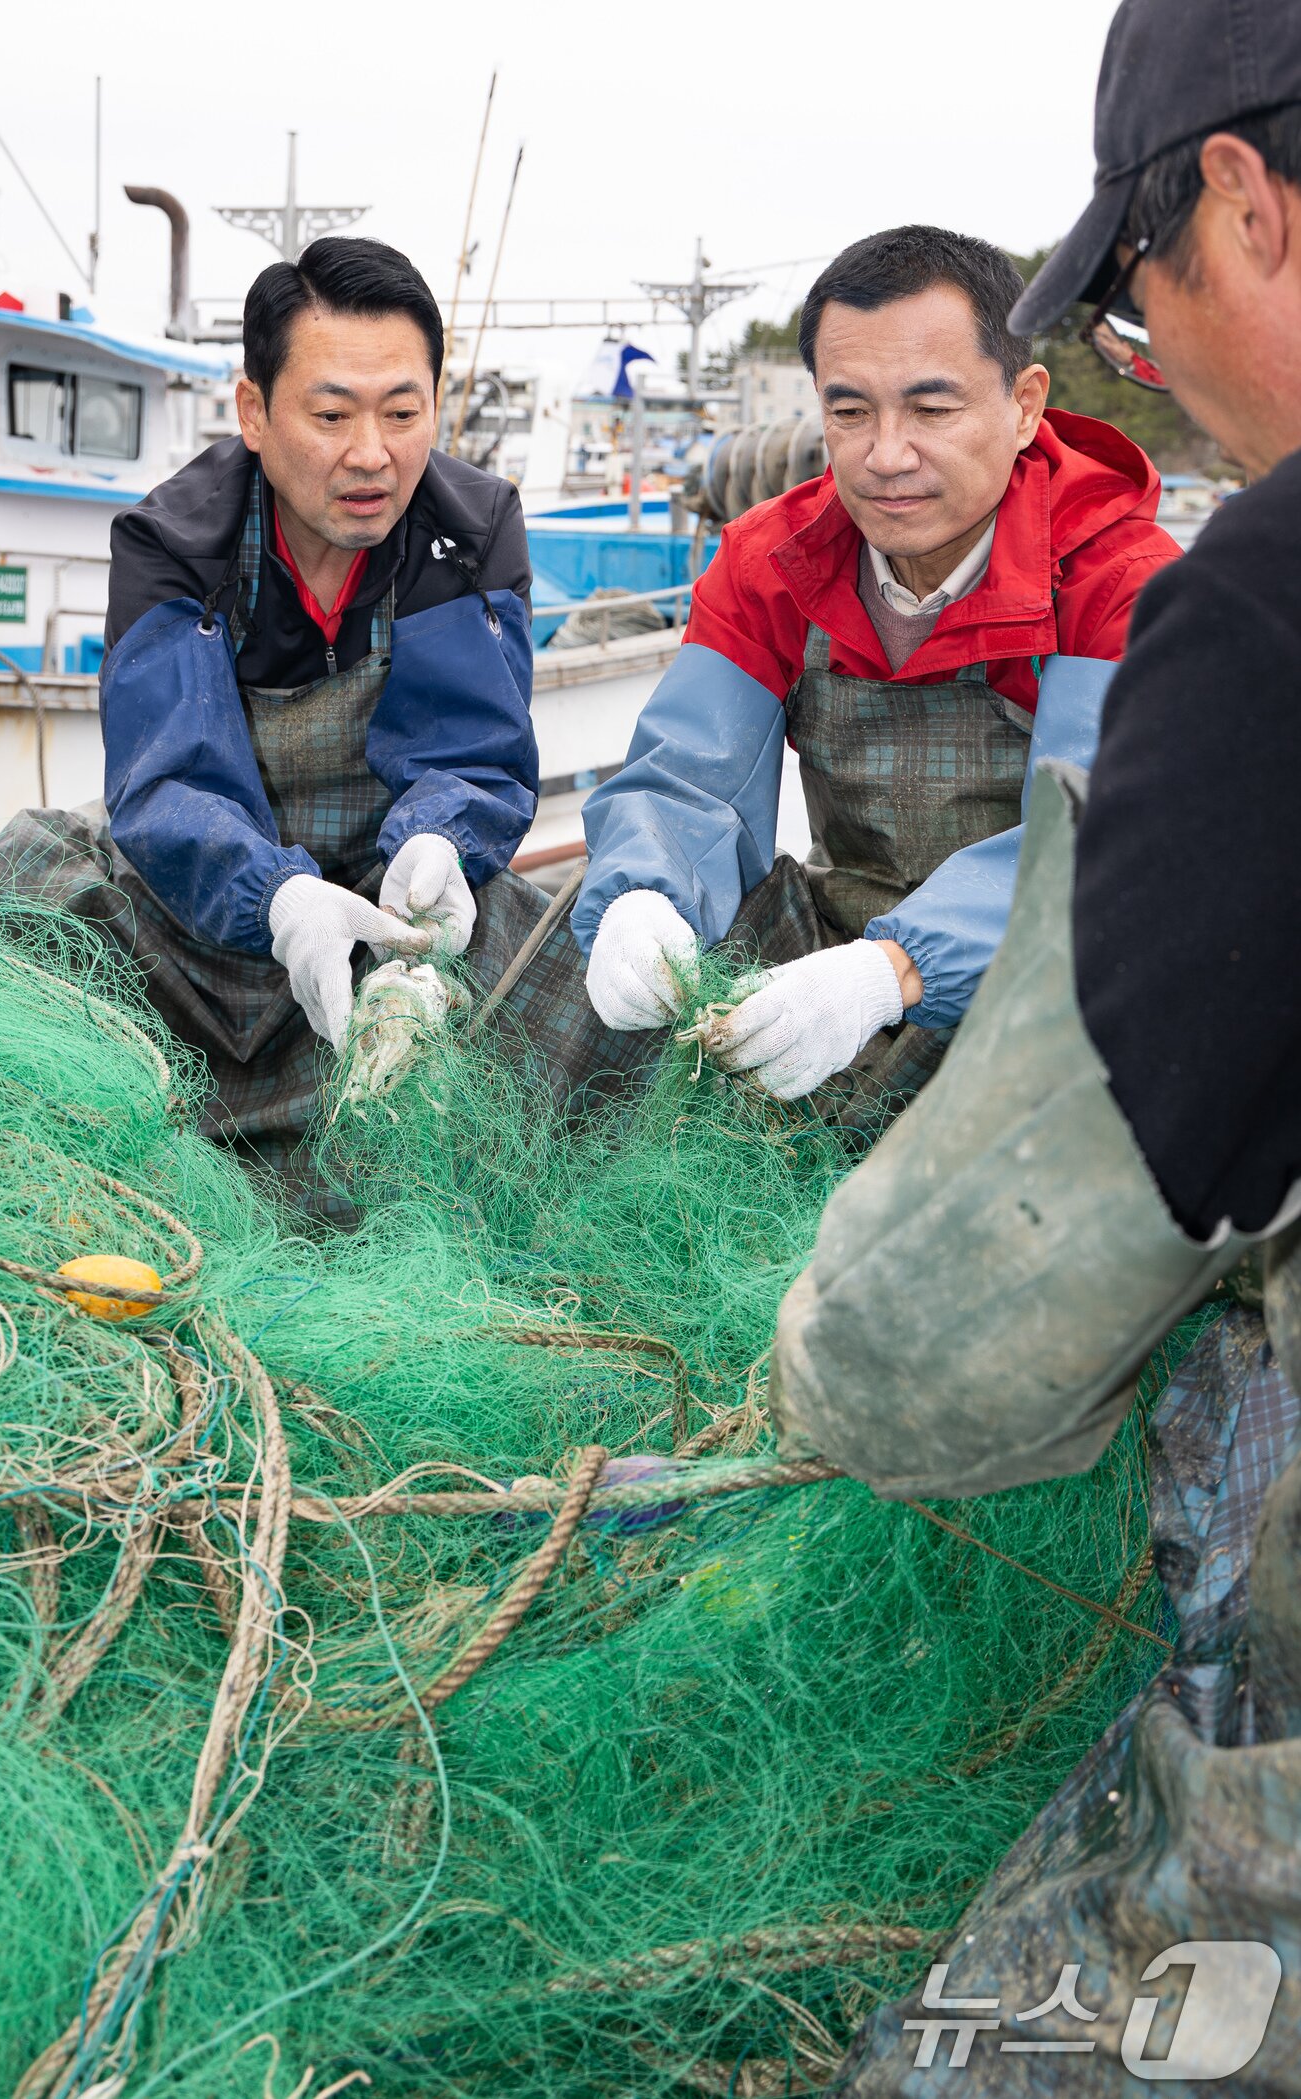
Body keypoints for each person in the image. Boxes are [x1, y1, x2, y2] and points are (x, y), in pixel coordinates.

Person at [771, 0, 1301, 2084]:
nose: (1146, 364)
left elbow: (958, 1344)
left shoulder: (1246, 604)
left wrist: (813, 1354)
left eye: (1145, 305)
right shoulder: (774, 568)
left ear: (1244, 203)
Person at [0, 238, 551, 1185]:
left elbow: (472, 750)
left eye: (403, 413)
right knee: (23, 902)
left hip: (387, 913)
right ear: (254, 410)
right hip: (195, 916)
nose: (372, 454)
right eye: (331, 413)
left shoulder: (472, 529)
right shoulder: (177, 540)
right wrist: (278, 900)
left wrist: (440, 847)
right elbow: (172, 782)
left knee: (569, 979)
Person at [572, 228, 1179, 1125]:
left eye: (931, 410)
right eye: (850, 412)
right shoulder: (768, 561)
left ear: (1024, 404)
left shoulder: (1119, 580)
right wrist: (644, 897)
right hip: (835, 954)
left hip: (1051, 982)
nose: (885, 455)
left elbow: (1097, 845)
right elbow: (686, 782)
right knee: (573, 949)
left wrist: (892, 973)